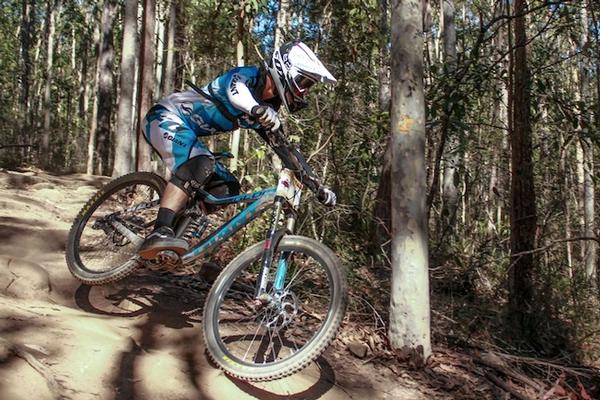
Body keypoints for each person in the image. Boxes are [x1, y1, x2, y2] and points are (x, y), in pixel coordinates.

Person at [138, 40, 338, 260]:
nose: (304, 91)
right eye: (304, 82)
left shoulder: (268, 110)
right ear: (285, 69)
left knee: (228, 187)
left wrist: (316, 186)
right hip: (164, 117)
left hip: (187, 132)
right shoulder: (248, 76)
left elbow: (287, 153)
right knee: (201, 162)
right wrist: (256, 109)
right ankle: (160, 230)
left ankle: (173, 237)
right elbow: (236, 90)